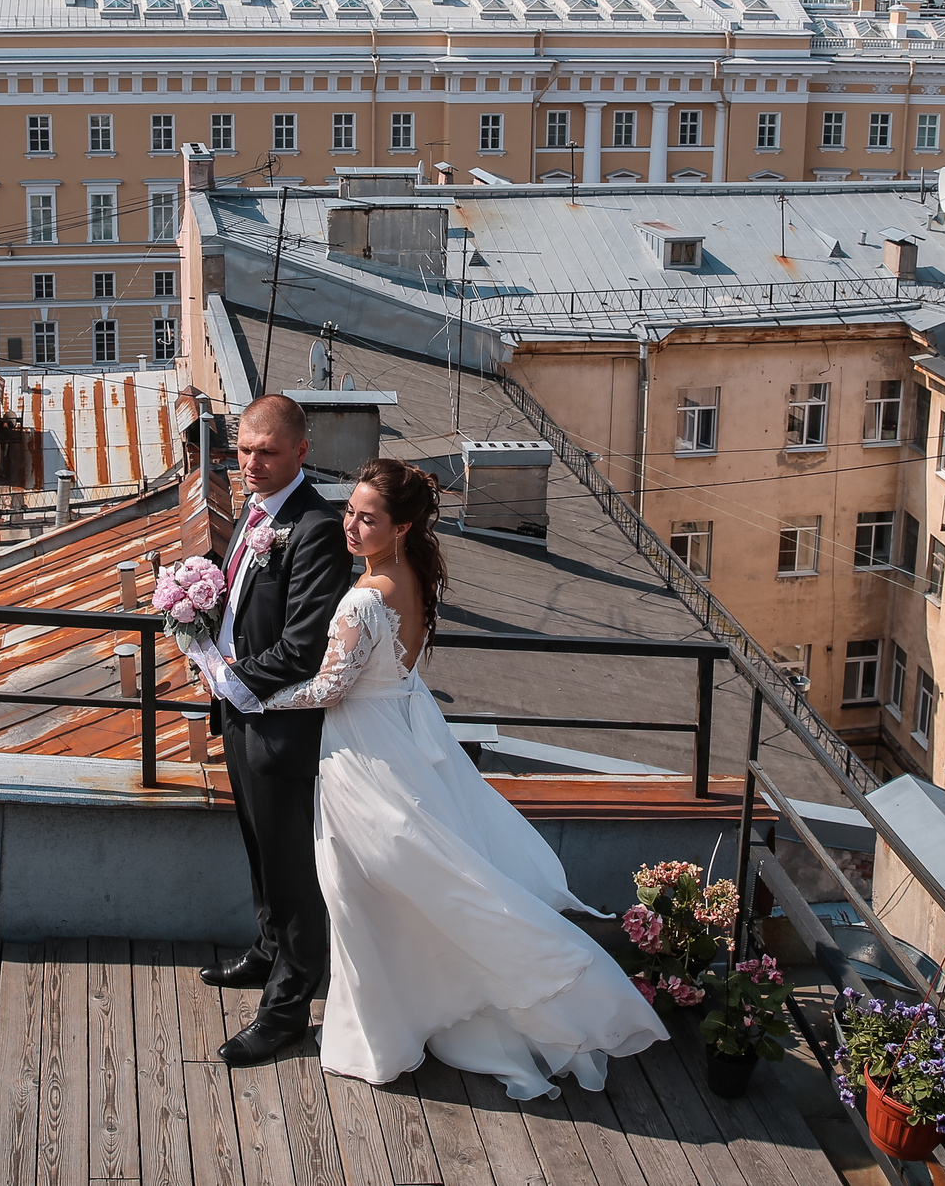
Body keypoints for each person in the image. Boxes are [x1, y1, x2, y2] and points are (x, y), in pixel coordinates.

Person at [196, 458, 664, 1099]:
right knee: (404, 888)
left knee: (357, 894)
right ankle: (406, 1015)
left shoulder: (367, 597)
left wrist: (241, 690)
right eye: (350, 511)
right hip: (401, 738)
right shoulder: (411, 576)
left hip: (363, 758)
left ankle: (385, 1032)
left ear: (403, 526)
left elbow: (331, 687)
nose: (351, 526)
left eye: (368, 518)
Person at [189, 394, 352, 1067]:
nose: (251, 464)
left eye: (267, 452)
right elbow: (245, 610)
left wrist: (229, 676)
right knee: (257, 850)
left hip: (281, 729)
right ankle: (265, 950)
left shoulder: (314, 527)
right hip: (238, 714)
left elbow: (302, 647)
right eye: (244, 450)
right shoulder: (257, 513)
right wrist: (196, 611)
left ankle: (287, 1008)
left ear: (300, 452)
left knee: (291, 874)